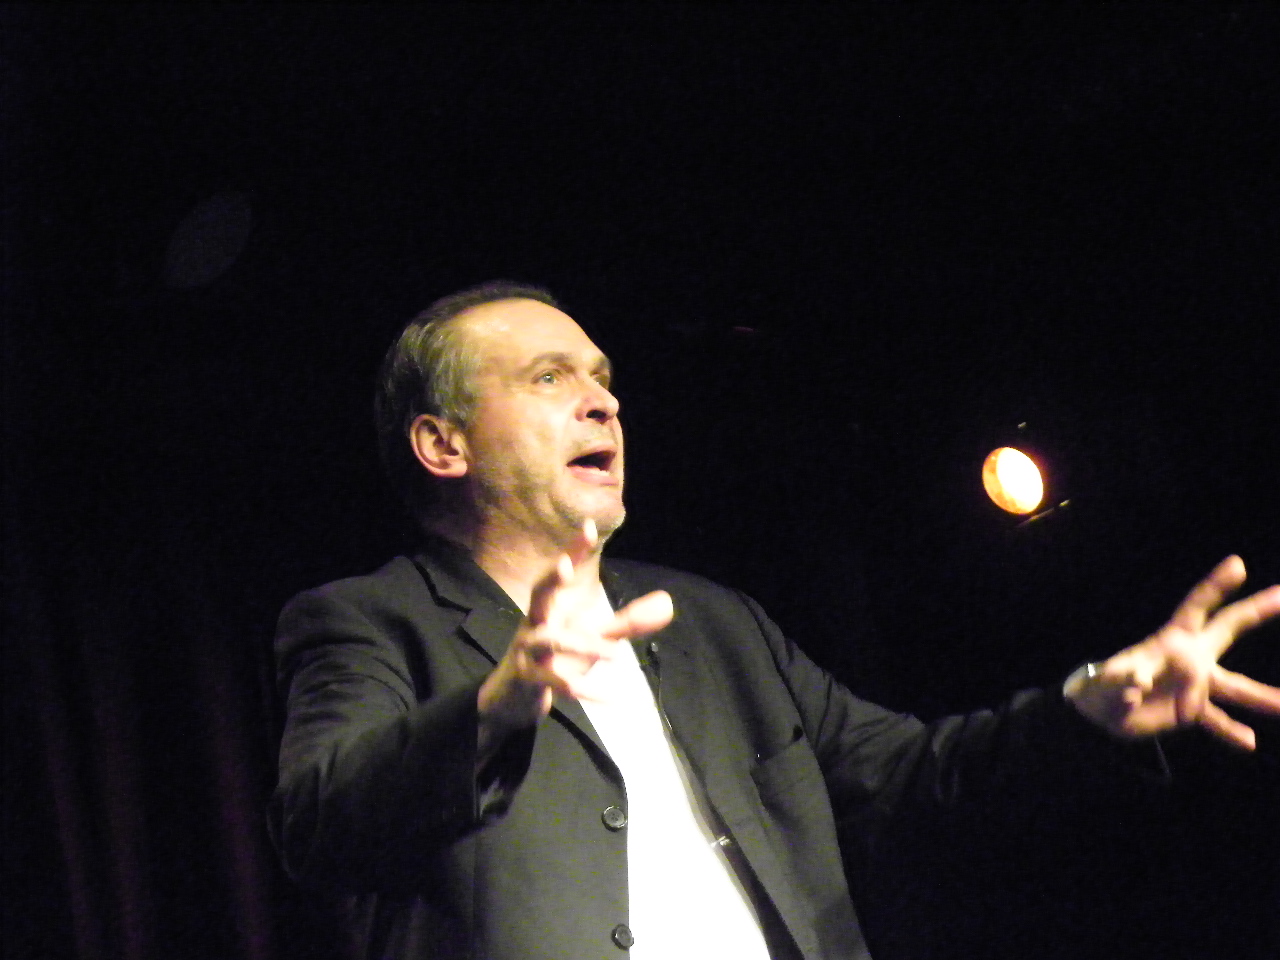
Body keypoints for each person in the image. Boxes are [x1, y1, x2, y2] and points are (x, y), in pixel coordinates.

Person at [269, 281, 1280, 960]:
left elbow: (907, 775)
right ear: (442, 445)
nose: (602, 405)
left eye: (603, 382)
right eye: (549, 378)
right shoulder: (367, 621)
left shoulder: (713, 624)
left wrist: (1086, 708)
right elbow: (322, 822)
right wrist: (499, 704)